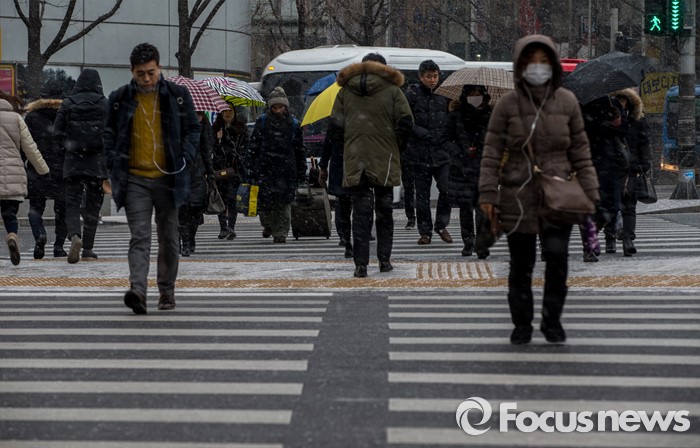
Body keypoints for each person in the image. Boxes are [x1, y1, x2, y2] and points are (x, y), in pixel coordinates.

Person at [478, 35, 599, 345]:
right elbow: (491, 152)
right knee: (521, 264)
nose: (537, 67)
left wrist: (590, 192)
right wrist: (488, 194)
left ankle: (552, 321)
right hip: (517, 195)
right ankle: (521, 324)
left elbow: (581, 151)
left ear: (553, 65)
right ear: (520, 65)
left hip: (558, 193)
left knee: (557, 259)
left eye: (544, 61)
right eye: (531, 61)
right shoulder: (507, 104)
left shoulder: (567, 102)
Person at [104, 43, 200, 314]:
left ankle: (166, 291)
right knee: (140, 236)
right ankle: (138, 291)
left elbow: (193, 129)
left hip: (168, 179)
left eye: (151, 72)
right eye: (140, 74)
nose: (146, 79)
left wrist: (186, 155)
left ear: (159, 68)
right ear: (132, 71)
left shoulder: (177, 96)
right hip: (134, 178)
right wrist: (111, 163)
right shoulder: (120, 99)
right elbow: (109, 134)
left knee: (168, 237)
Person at [329, 53, 413, 277]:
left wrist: (349, 146)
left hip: (356, 159)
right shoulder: (393, 91)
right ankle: (384, 259)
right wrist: (396, 145)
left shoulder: (345, 91)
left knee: (360, 213)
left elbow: (335, 126)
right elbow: (406, 121)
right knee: (384, 212)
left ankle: (361, 264)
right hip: (385, 159)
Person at [53, 68, 109, 263]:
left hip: (74, 161)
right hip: (96, 162)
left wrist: (68, 148)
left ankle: (75, 235)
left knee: (72, 202)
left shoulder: (68, 103)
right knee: (93, 206)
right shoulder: (104, 104)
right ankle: (88, 248)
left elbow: (57, 132)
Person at [246, 86, 306, 243]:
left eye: (280, 107)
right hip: (265, 169)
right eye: (275, 107)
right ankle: (269, 225)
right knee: (265, 203)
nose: (278, 110)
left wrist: (301, 171)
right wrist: (250, 165)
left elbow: (299, 150)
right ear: (270, 107)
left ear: (285, 106)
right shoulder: (262, 122)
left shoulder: (294, 124)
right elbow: (254, 146)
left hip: (286, 170)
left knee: (284, 203)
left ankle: (281, 233)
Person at [403, 59, 452, 245]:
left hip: (442, 152)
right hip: (419, 153)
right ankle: (425, 231)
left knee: (447, 189)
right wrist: (420, 133)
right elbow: (405, 120)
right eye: (428, 76)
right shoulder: (412, 94)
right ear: (421, 77)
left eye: (435, 76)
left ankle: (441, 225)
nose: (432, 80)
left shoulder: (444, 94)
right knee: (422, 196)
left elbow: (451, 118)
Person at [0, 91, 50, 265]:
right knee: (9, 214)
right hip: (13, 173)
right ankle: (12, 235)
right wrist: (43, 169)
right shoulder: (16, 118)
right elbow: (30, 147)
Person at [442, 84, 492, 258]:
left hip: (484, 167)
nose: (475, 98)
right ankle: (468, 242)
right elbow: (445, 139)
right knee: (465, 208)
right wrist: (459, 152)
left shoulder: (490, 116)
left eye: (478, 94)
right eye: (472, 94)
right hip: (461, 167)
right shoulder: (455, 116)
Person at [24, 86, 67, 259]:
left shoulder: (32, 117)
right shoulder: (65, 115)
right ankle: (59, 246)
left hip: (37, 168)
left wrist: (22, 164)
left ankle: (39, 235)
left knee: (35, 208)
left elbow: (25, 144)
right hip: (61, 168)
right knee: (62, 210)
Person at [613, 88, 651, 256]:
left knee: (629, 206)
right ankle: (612, 235)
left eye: (624, 100)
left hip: (631, 168)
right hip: (613, 168)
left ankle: (628, 239)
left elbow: (644, 142)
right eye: (618, 100)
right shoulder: (609, 120)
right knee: (612, 205)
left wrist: (644, 163)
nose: (621, 103)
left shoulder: (637, 120)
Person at [179, 111, 215, 257]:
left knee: (196, 207)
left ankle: (190, 237)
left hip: (197, 173)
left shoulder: (202, 127)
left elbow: (206, 151)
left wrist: (210, 172)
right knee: (181, 209)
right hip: (179, 172)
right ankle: (185, 241)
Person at [212, 107, 248, 240]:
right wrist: (218, 140)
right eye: (225, 111)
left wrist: (237, 153)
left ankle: (231, 227)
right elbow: (210, 148)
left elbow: (246, 147)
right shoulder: (215, 128)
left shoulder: (241, 129)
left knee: (232, 199)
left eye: (230, 111)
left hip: (235, 170)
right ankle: (223, 227)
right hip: (220, 170)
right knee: (221, 199)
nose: (228, 113)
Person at [319, 132, 353, 258]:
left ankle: (345, 237)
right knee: (359, 202)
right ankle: (357, 236)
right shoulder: (363, 121)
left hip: (340, 165)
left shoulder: (336, 123)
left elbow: (327, 146)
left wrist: (323, 166)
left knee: (343, 204)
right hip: (356, 164)